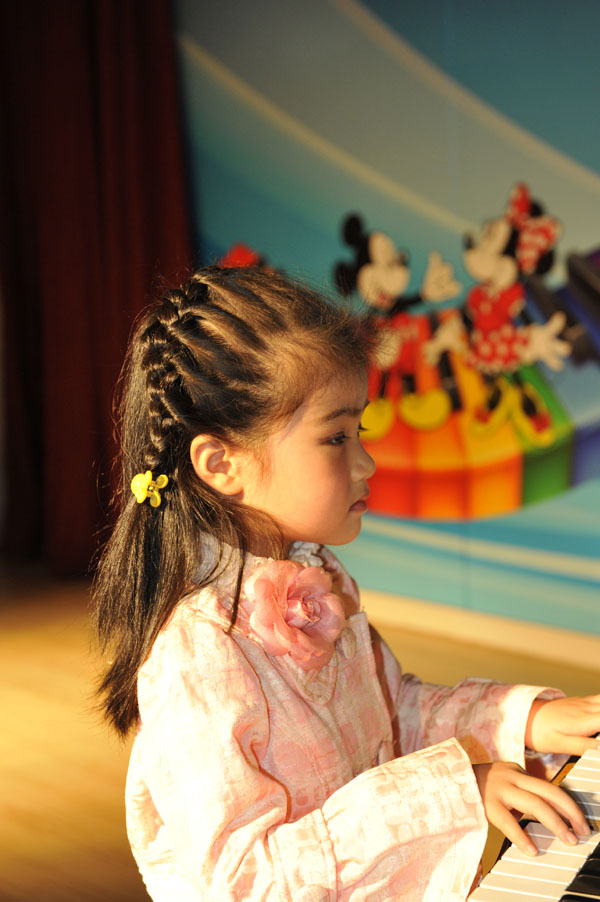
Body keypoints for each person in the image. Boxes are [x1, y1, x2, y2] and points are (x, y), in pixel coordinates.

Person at [94, 266, 600, 901]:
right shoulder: (197, 655)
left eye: (360, 430)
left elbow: (391, 715)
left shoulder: (316, 575)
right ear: (222, 464)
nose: (366, 461)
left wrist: (524, 719)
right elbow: (245, 884)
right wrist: (452, 789)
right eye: (335, 437)